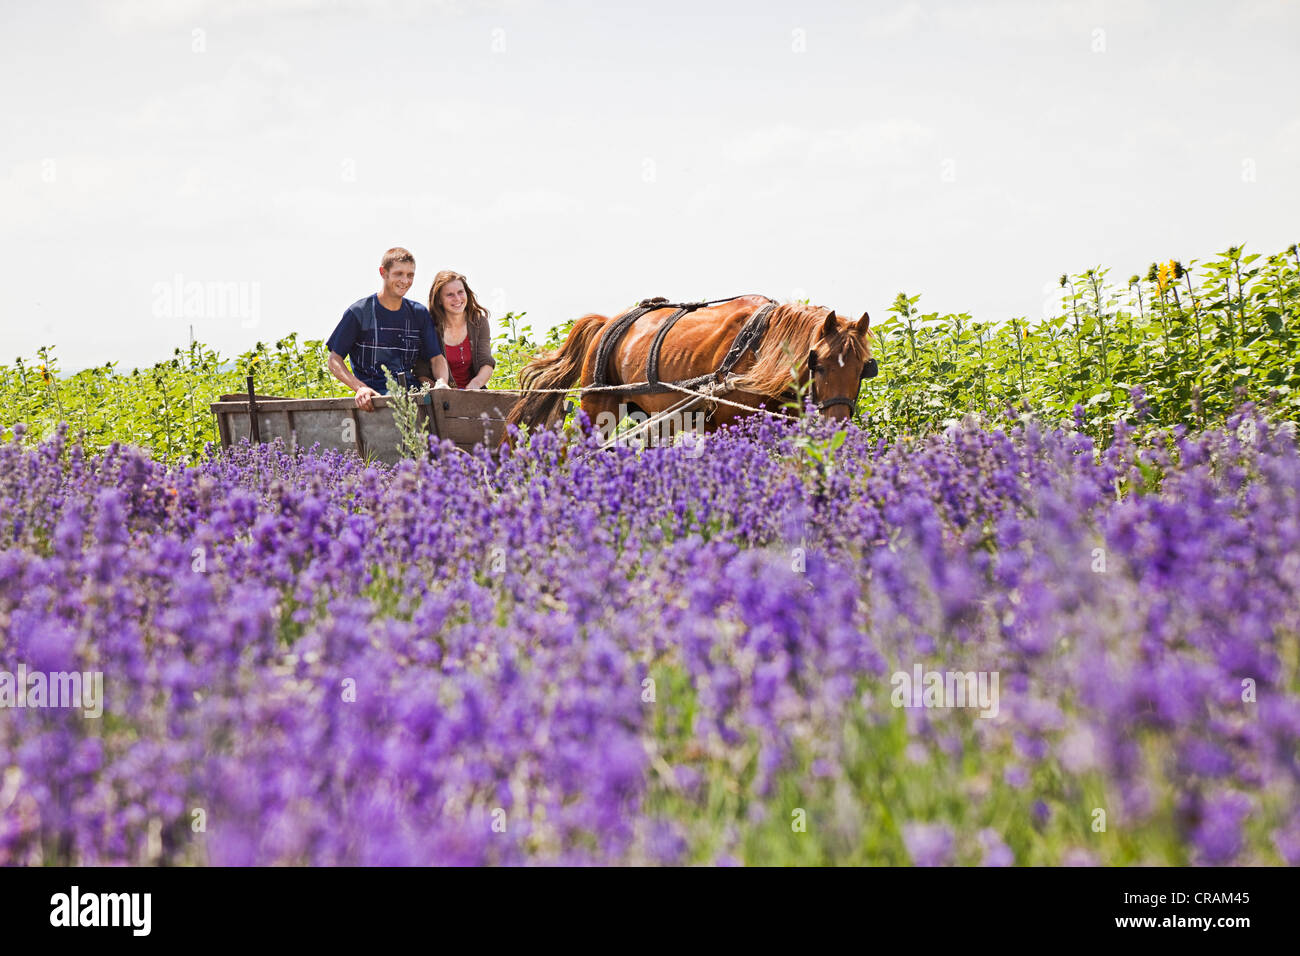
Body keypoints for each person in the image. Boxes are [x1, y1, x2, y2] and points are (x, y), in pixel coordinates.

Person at [326, 247, 450, 411]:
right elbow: (334, 359)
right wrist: (359, 388)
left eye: (410, 275)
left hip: (414, 395)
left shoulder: (418, 313)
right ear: (383, 272)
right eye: (398, 274)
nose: (405, 280)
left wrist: (441, 383)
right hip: (376, 399)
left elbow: (437, 358)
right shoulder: (360, 312)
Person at [417, 270, 496, 389]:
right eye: (450, 294)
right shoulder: (429, 326)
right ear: (439, 300)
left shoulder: (479, 323)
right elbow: (421, 372)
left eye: (460, 292)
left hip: (475, 393)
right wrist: (442, 392)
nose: (457, 298)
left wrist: (475, 384)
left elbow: (487, 362)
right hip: (440, 397)